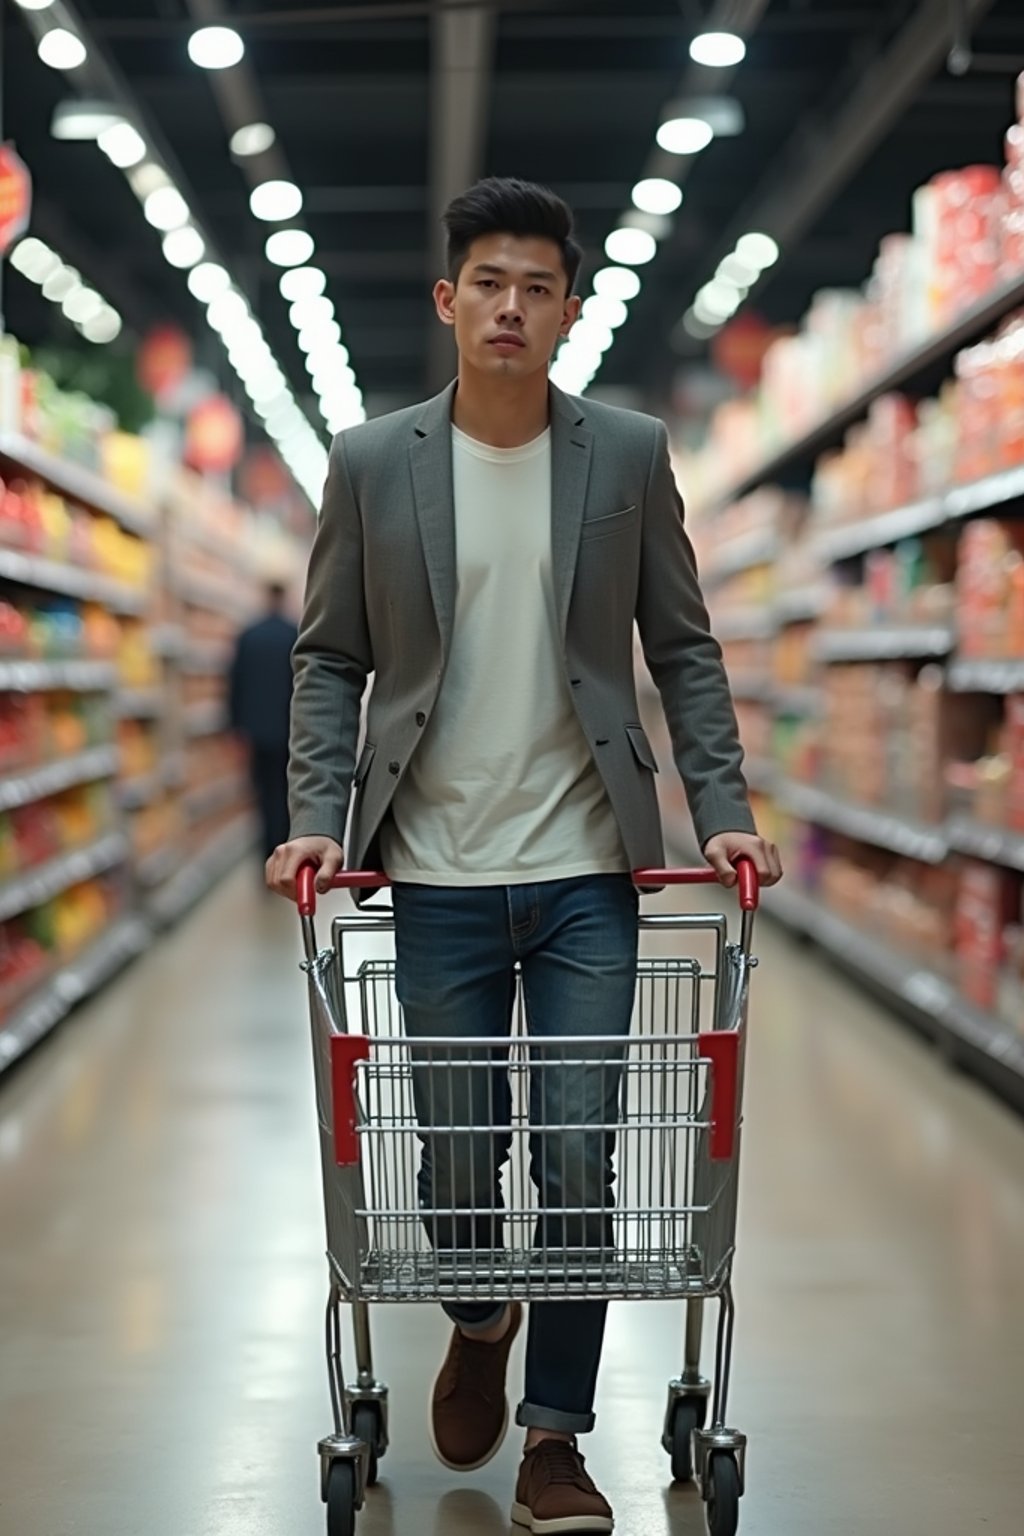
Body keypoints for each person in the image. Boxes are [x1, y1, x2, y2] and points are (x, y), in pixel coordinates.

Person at [267, 177, 783, 1533]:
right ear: (449, 302)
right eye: (487, 282)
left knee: (577, 1154)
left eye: (536, 286)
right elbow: (330, 661)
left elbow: (681, 646)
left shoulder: (624, 452)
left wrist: (719, 799)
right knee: (447, 1159)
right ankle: (479, 1310)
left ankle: (556, 1438)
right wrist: (317, 813)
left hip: (584, 873)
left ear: (566, 309)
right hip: (428, 871)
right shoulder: (376, 463)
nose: (510, 306)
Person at [229, 581, 298, 865]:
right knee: (286, 790)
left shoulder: (248, 636)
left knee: (262, 791)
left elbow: (235, 683)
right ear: (284, 598)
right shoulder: (294, 634)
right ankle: (284, 847)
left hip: (256, 729)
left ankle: (266, 854)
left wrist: (235, 725)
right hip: (288, 729)